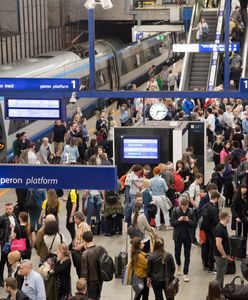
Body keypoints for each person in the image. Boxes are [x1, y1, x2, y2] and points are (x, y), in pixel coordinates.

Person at [171, 198, 196, 282]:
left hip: (188, 237)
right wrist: (179, 219)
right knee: (177, 253)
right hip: (178, 236)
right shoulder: (176, 211)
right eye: (183, 207)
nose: (184, 208)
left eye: (186, 206)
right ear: (180, 205)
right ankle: (178, 265)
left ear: (188, 205)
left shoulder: (191, 212)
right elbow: (172, 223)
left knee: (187, 255)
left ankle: (185, 273)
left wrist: (188, 220)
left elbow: (194, 224)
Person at [81, 231, 107, 300]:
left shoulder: (85, 254)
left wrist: (83, 284)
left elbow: (84, 272)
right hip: (100, 279)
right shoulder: (100, 249)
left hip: (91, 281)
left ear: (84, 240)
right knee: (97, 297)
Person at [200, 191, 220, 274]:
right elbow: (216, 221)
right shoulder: (214, 209)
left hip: (204, 230)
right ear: (216, 198)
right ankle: (211, 268)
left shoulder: (205, 206)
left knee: (205, 248)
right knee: (212, 249)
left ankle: (205, 265)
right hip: (212, 232)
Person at [0, 203, 18, 286]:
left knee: (11, 260)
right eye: (7, 209)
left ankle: (9, 277)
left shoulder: (14, 216)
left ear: (12, 209)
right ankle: (0, 279)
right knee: (3, 260)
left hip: (13, 243)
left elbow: (17, 227)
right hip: (5, 243)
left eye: (10, 209)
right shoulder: (2, 218)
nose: (8, 210)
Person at [214, 212, 231, 289]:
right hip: (220, 256)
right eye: (229, 216)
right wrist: (224, 254)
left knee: (221, 274)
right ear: (226, 217)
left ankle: (220, 290)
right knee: (219, 276)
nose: (229, 218)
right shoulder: (219, 228)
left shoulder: (223, 227)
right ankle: (217, 292)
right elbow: (218, 244)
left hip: (223, 255)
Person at [72, 212, 91, 278]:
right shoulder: (79, 226)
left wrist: (80, 246)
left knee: (81, 270)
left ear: (80, 218)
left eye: (75, 219)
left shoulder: (85, 227)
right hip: (77, 250)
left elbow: (88, 239)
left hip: (82, 251)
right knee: (78, 269)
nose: (74, 220)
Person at [188, 173, 204, 246]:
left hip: (198, 207)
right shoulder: (192, 187)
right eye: (200, 180)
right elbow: (191, 199)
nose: (201, 182)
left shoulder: (197, 186)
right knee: (193, 225)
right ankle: (192, 240)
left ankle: (193, 239)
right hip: (194, 209)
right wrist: (198, 208)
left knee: (195, 224)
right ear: (197, 178)